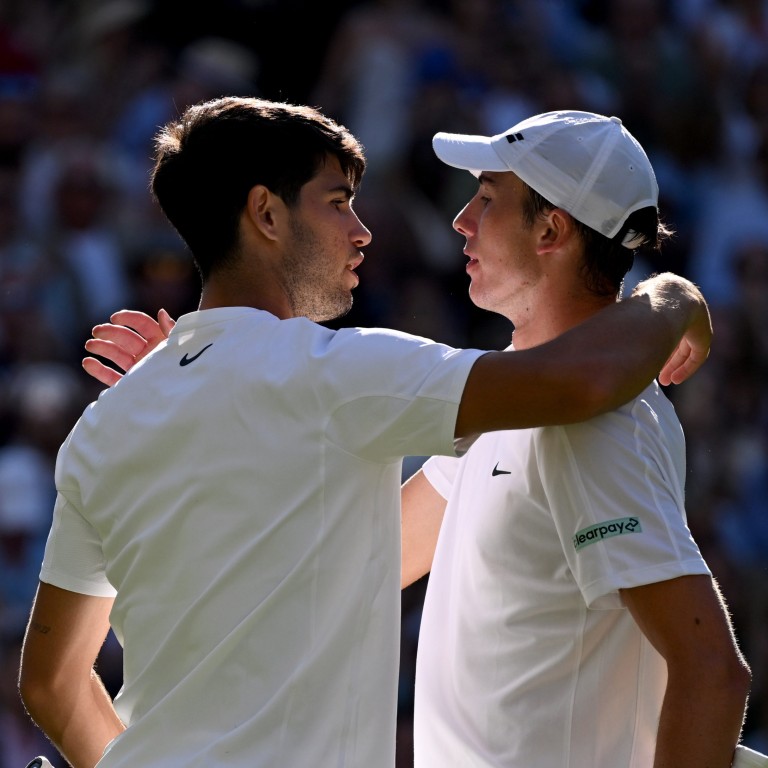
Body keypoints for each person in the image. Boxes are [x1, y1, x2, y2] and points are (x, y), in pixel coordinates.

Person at [19, 97, 712, 768]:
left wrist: (196, 394)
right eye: (337, 200)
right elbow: (579, 380)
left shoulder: (109, 425)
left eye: (486, 199)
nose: (363, 230)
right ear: (266, 213)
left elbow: (50, 683)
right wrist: (675, 297)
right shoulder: (344, 378)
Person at [399, 111, 752, 767]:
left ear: (551, 229)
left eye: (486, 200)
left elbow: (712, 672)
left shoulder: (597, 427)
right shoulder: (512, 400)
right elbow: (374, 553)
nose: (461, 221)